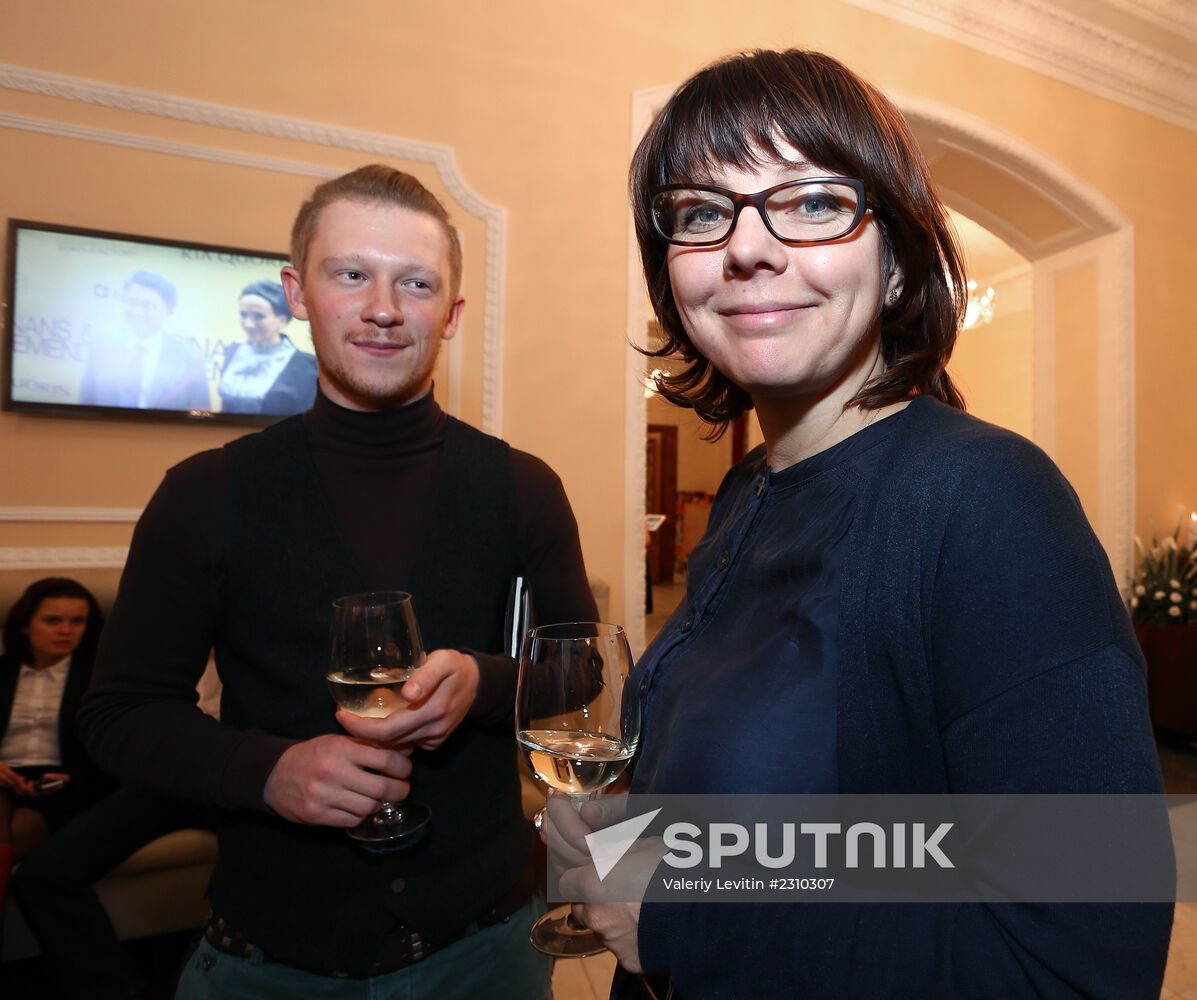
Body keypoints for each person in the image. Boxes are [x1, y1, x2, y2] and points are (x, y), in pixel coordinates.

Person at [567, 49, 1172, 998]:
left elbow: (1081, 964)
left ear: (895, 264)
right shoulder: (748, 496)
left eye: (811, 202)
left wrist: (685, 915)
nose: (747, 246)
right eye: (700, 211)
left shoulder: (985, 502)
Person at [79, 164, 597, 999]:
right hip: (269, 960)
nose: (383, 307)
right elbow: (118, 715)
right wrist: (267, 772)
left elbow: (582, 674)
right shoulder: (206, 493)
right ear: (296, 292)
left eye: (415, 283)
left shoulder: (521, 487)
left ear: (452, 313)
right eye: (350, 273)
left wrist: (483, 682)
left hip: (485, 951)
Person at [0, 578, 107, 922]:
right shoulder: (1, 672)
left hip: (64, 787)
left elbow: (114, 754)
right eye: (53, 620)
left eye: (77, 621)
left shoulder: (100, 679)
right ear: (24, 624)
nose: (66, 630)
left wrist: (73, 778)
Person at [79, 271, 210, 412]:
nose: (137, 311)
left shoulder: (190, 357)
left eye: (147, 306)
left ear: (170, 312)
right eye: (132, 303)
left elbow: (201, 412)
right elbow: (86, 401)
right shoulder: (102, 345)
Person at [217, 279, 317, 416]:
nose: (248, 324)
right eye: (243, 315)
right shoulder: (232, 353)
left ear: (281, 321)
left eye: (259, 316)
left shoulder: (307, 366)